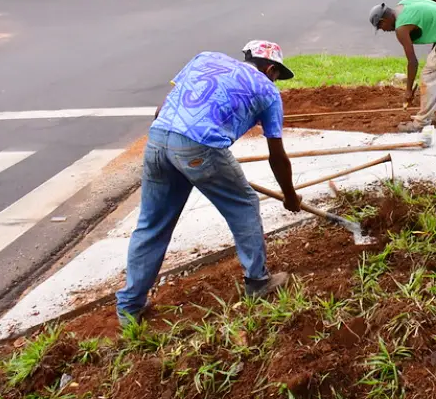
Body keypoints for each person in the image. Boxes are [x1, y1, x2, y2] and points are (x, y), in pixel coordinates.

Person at [115, 41, 302, 325]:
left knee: (152, 223)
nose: (276, 80)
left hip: (158, 138)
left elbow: (161, 109)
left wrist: (177, 153)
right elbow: (276, 155)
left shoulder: (206, 58)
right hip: (201, 149)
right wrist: (289, 196)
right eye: (277, 75)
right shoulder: (268, 91)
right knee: (245, 204)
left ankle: (129, 306)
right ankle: (258, 281)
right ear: (271, 69)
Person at [369, 0, 436, 132]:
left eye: (380, 27)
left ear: (384, 20)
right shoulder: (404, 4)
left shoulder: (401, 28)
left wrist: (408, 90)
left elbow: (412, 62)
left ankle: (421, 123)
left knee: (430, 75)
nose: (383, 30)